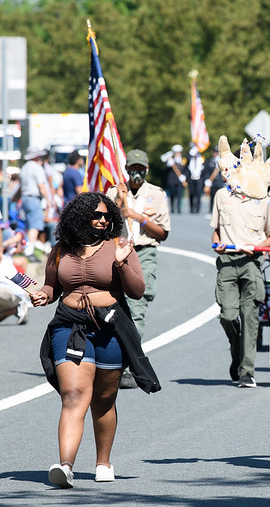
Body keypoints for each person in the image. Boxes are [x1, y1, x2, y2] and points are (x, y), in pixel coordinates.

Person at [30, 192, 159, 488]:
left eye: (106, 215)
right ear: (80, 216)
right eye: (96, 215)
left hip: (108, 328)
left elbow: (137, 291)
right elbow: (51, 287)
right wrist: (43, 296)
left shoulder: (119, 246)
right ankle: (65, 465)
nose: (102, 220)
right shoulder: (62, 249)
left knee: (102, 400)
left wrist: (122, 264)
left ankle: (103, 462)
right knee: (73, 394)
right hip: (69, 326)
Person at [106, 149, 170, 389]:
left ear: (147, 170)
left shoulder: (157, 194)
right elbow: (105, 223)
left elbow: (162, 233)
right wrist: (120, 200)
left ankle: (126, 366)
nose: (136, 173)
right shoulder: (113, 192)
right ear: (126, 169)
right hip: (117, 251)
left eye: (140, 169)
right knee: (115, 308)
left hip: (143, 253)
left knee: (137, 309)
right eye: (132, 168)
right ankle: (113, 362)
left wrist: (137, 216)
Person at [211, 184, 270, 387]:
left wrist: (258, 247)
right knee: (228, 316)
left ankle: (246, 372)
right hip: (227, 262)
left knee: (250, 318)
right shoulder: (222, 195)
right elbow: (216, 232)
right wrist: (217, 245)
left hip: (252, 262)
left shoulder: (264, 199)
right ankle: (238, 351)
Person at [19, 147, 55, 259]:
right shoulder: (36, 167)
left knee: (30, 225)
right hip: (33, 199)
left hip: (25, 198)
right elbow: (42, 186)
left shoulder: (24, 167)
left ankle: (28, 249)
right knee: (34, 226)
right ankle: (29, 252)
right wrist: (49, 201)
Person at [202, 146, 227, 213]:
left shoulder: (222, 162)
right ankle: (211, 209)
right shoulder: (210, 161)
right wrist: (208, 180)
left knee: (219, 196)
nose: (215, 153)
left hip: (219, 181)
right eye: (214, 152)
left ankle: (219, 210)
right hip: (212, 182)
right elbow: (207, 171)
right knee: (212, 196)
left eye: (217, 152)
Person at [165, 144, 187, 214]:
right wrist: (168, 164)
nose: (177, 153)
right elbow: (166, 170)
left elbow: (186, 169)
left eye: (178, 152)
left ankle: (179, 208)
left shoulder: (183, 160)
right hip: (172, 180)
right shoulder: (171, 160)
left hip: (180, 180)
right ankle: (172, 208)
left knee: (179, 195)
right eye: (176, 152)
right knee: (172, 194)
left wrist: (184, 176)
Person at [187, 145, 205, 214]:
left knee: (198, 194)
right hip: (191, 179)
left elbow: (205, 169)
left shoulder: (202, 159)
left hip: (199, 179)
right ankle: (191, 208)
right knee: (191, 194)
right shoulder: (189, 159)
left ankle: (197, 208)